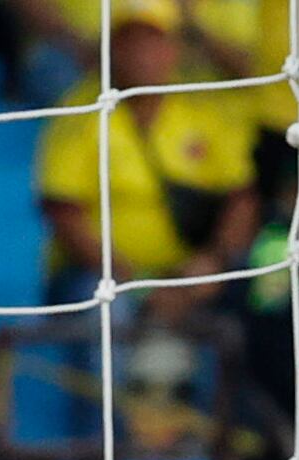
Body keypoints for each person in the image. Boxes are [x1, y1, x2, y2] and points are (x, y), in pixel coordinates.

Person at [28, 0, 258, 303]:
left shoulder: (203, 111)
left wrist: (213, 261)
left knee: (252, 292)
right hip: (101, 274)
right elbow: (62, 210)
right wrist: (130, 281)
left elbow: (240, 198)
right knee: (107, 302)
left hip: (193, 272)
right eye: (130, 43)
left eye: (153, 42)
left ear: (174, 49)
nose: (142, 55)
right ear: (112, 50)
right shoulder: (80, 112)